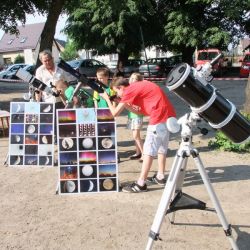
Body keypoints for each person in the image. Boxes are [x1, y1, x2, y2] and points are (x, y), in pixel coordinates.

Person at [100, 77, 176, 193]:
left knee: (148, 151)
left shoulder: (129, 90)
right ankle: (160, 176)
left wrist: (107, 99)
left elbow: (114, 113)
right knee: (161, 148)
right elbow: (141, 112)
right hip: (168, 117)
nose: (117, 94)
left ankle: (141, 184)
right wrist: (124, 103)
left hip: (158, 118)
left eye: (116, 91)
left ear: (121, 88)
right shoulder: (137, 87)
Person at [127, 73, 144, 162]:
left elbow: (135, 103)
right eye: (131, 78)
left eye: (135, 79)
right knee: (135, 137)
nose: (132, 80)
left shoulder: (138, 90)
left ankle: (144, 154)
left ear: (139, 81)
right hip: (132, 116)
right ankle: (138, 153)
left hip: (137, 116)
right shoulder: (130, 89)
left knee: (136, 136)